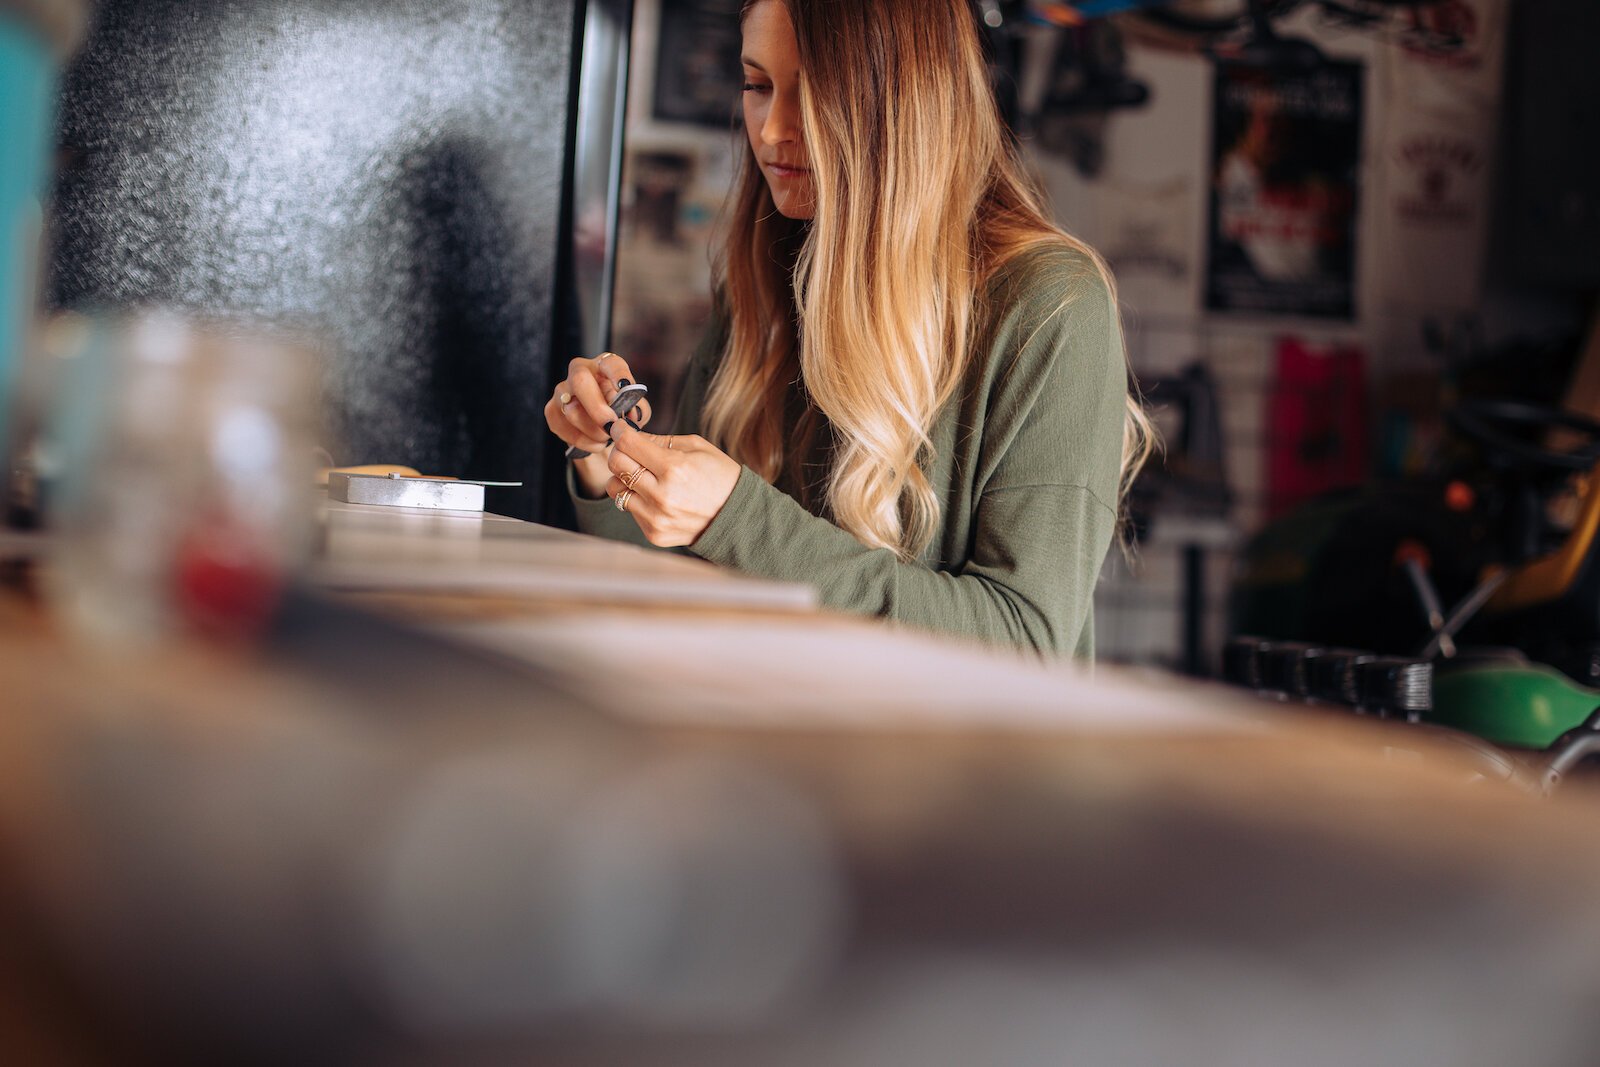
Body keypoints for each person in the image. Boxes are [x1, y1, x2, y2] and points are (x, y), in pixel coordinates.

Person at [544, 0, 1153, 658]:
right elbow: (685, 572)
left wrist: (736, 516)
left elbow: (1027, 643)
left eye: (814, 93)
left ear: (905, 101)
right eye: (757, 85)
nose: (773, 129)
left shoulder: (1050, 305)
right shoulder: (763, 282)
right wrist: (611, 466)